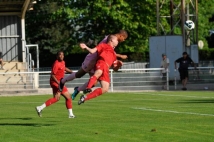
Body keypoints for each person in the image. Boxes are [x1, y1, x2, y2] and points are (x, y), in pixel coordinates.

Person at [59, 30, 128, 100]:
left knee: (94, 83)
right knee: (79, 74)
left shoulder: (114, 41)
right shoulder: (111, 38)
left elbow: (109, 51)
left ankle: (78, 89)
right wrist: (120, 56)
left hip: (99, 61)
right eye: (124, 39)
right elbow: (105, 48)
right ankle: (62, 81)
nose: (123, 40)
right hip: (92, 59)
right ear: (121, 36)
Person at [78, 35, 119, 105]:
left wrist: (119, 65)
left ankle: (84, 98)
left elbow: (115, 68)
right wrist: (86, 47)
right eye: (116, 40)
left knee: (105, 88)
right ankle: (88, 87)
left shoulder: (114, 54)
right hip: (101, 63)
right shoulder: (103, 45)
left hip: (106, 69)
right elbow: (92, 51)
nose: (118, 41)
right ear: (111, 40)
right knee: (98, 72)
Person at [35, 51, 75, 118]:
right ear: (57, 56)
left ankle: (40, 107)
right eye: (60, 55)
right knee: (68, 97)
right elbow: (52, 75)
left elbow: (64, 68)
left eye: (62, 54)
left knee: (56, 98)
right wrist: (59, 83)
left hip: (58, 83)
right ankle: (70, 115)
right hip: (55, 82)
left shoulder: (63, 62)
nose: (61, 56)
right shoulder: (56, 64)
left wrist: (71, 72)